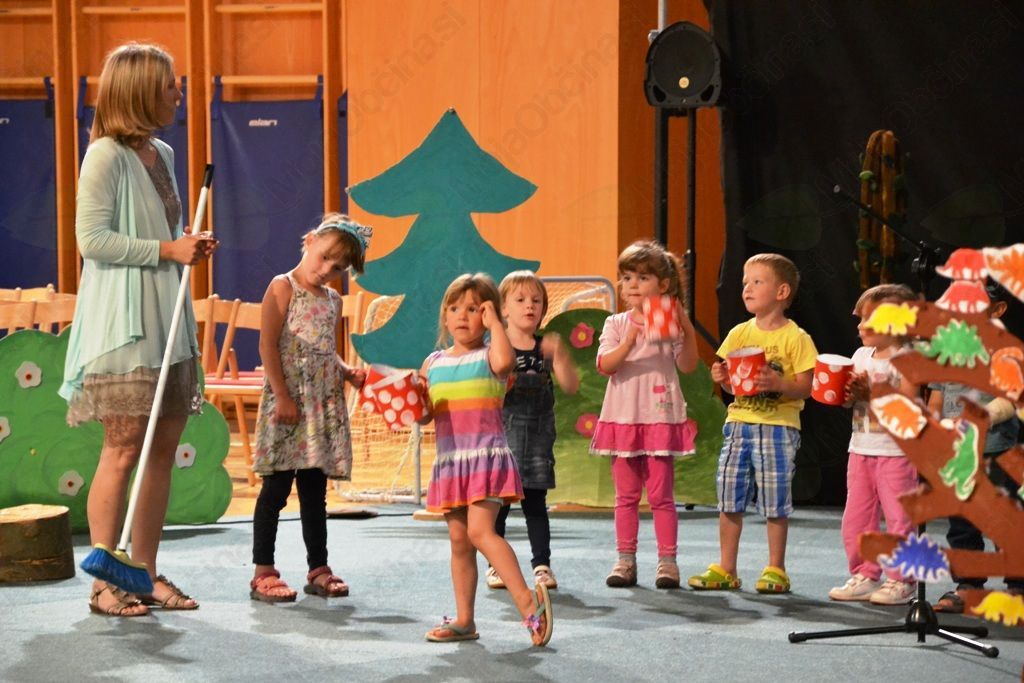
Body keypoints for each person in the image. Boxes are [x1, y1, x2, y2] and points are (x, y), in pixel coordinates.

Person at [59, 43, 217, 617]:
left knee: (161, 451)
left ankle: (143, 573)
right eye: (170, 84)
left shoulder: (163, 153)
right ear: (143, 90)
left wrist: (185, 247)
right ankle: (105, 584)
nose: (178, 92)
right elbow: (92, 241)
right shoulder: (104, 155)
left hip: (166, 318)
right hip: (125, 326)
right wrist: (167, 249)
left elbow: (161, 233)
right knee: (124, 447)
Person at [418, 273, 553, 646]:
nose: (462, 315)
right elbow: (425, 413)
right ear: (445, 317)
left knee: (480, 532)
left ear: (489, 314)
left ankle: (528, 603)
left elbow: (507, 361)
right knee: (459, 542)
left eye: (474, 309)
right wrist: (407, 399)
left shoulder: (491, 355)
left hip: (486, 459)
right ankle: (465, 620)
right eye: (454, 308)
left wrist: (496, 324)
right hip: (451, 463)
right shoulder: (433, 362)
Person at [248, 214, 370, 603]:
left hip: (321, 407)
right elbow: (268, 345)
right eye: (324, 258)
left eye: (338, 268)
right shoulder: (282, 287)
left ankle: (319, 567)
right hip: (289, 403)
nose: (327, 270)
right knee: (276, 489)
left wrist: (347, 372)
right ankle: (263, 571)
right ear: (310, 240)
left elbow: (324, 349)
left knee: (315, 492)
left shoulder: (332, 300)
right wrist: (283, 396)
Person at [689, 253, 817, 594]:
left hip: (778, 427)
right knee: (729, 496)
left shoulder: (796, 337)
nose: (747, 288)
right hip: (739, 423)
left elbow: (807, 386)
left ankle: (776, 568)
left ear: (782, 292)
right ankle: (726, 567)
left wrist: (779, 384)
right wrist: (723, 378)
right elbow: (735, 385)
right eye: (745, 282)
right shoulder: (739, 333)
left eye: (757, 282)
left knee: (774, 500)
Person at [590, 241, 698, 589]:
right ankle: (625, 560)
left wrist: (685, 326)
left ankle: (668, 562)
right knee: (625, 496)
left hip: (659, 418)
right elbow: (606, 365)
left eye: (642, 277)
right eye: (626, 278)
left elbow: (688, 364)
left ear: (662, 285)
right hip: (623, 418)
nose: (632, 285)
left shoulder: (667, 321)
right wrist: (629, 340)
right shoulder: (616, 323)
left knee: (662, 496)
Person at [930, 283, 1024, 612]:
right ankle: (968, 585)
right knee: (962, 521)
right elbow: (937, 398)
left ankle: (1017, 587)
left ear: (998, 309)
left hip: (996, 449)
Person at [484, 271, 579, 592]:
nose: (529, 306)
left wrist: (560, 355)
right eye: (521, 300)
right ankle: (496, 565)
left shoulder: (544, 348)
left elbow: (570, 386)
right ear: (503, 309)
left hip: (538, 441)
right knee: (499, 506)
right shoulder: (497, 349)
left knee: (536, 505)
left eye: (536, 301)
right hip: (502, 440)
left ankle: (542, 566)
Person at [828, 284, 921, 605]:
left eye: (870, 319)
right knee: (857, 518)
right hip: (861, 449)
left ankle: (903, 579)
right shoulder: (860, 356)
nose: (861, 326)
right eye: (860, 318)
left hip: (896, 452)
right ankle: (865, 573)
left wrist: (871, 393)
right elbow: (849, 401)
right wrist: (844, 392)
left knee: (899, 518)